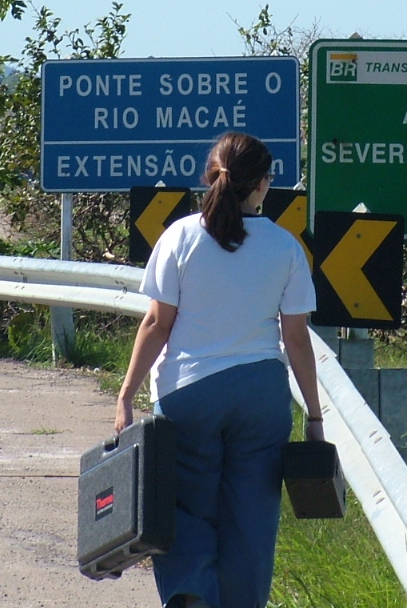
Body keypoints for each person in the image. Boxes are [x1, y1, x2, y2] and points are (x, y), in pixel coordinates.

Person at [114, 131, 323, 608]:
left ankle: (191, 596)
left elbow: (155, 323)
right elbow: (295, 339)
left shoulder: (180, 237)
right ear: (263, 184)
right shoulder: (286, 248)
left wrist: (126, 394)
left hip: (188, 394)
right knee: (251, 513)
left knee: (186, 507)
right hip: (260, 396)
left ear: (213, 175)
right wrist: (313, 414)